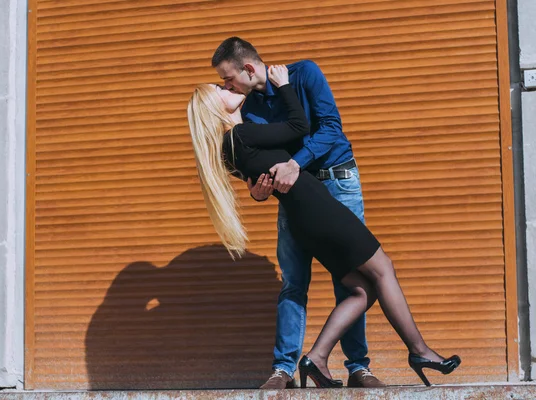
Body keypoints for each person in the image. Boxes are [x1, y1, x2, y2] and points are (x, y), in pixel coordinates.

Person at [186, 65, 461, 388]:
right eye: (220, 90)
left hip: (305, 218)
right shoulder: (242, 134)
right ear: (213, 107)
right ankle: (419, 351)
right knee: (383, 270)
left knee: (361, 290)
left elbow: (260, 182)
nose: (227, 88)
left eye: (226, 83)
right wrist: (285, 86)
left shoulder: (226, 151)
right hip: (321, 210)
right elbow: (299, 126)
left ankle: (316, 358)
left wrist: (258, 193)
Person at [211, 36, 381, 389]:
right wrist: (256, 190)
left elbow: (331, 129)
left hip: (337, 181)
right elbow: (255, 161)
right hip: (297, 195)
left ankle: (357, 367)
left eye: (228, 79)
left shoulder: (304, 74)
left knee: (349, 279)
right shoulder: (248, 109)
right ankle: (284, 369)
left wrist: (294, 164)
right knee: (293, 281)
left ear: (248, 68)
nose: (225, 86)